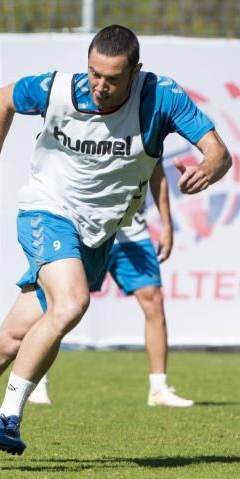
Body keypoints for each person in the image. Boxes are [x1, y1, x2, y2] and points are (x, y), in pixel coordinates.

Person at [0, 24, 231, 463]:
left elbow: (218, 151)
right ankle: (8, 417)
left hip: (98, 233)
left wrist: (211, 166)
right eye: (94, 73)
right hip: (47, 211)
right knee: (71, 303)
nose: (99, 85)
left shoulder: (163, 98)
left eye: (113, 78)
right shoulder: (58, 89)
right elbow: (3, 98)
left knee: (11, 339)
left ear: (136, 72)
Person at [27, 161, 194, 408]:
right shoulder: (88, 126)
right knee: (58, 305)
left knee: (154, 300)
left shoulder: (146, 126)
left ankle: (158, 389)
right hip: (86, 233)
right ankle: (35, 382)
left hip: (133, 234)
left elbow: (156, 173)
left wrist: (167, 225)